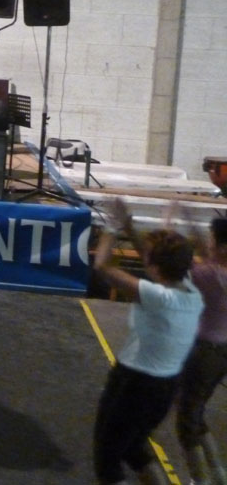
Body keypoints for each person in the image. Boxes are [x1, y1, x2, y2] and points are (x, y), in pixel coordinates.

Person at [92, 198, 203, 485]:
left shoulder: (158, 297)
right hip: (165, 387)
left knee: (107, 459)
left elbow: (102, 266)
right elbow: (152, 259)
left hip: (135, 383)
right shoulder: (190, 291)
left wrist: (112, 227)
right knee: (133, 449)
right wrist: (129, 227)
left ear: (155, 266)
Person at [177, 217, 227, 485]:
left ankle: (201, 480)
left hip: (204, 353)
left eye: (212, 240)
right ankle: (217, 473)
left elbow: (171, 268)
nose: (208, 244)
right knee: (196, 410)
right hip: (221, 353)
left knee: (186, 420)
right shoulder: (217, 272)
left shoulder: (209, 275)